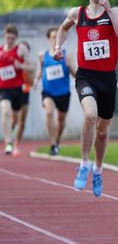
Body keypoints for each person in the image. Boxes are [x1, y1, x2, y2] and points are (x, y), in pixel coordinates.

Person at [54, 0, 118, 197]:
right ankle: (84, 164)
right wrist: (57, 47)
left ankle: (98, 169)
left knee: (104, 131)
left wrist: (109, 11)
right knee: (90, 115)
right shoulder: (78, 13)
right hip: (85, 74)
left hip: (108, 77)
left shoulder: (114, 12)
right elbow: (63, 28)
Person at [34, 27, 76, 156]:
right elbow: (41, 71)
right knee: (49, 113)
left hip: (63, 92)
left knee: (61, 121)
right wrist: (36, 80)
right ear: (48, 39)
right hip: (48, 92)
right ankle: (52, 143)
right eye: (52, 37)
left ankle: (57, 142)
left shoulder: (66, 55)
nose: (55, 39)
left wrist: (70, 67)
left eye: (57, 37)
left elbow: (75, 74)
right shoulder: (43, 55)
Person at [0, 25, 30, 156]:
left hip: (18, 89)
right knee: (5, 111)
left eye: (12, 38)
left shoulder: (21, 49)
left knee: (15, 120)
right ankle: (8, 142)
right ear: (4, 37)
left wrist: (21, 65)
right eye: (8, 38)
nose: (10, 40)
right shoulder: (0, 51)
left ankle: (10, 134)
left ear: (16, 38)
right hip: (4, 89)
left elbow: (31, 66)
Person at [12, 40, 36, 156]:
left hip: (24, 92)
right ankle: (8, 140)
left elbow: (31, 82)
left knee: (22, 121)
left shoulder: (30, 64)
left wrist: (24, 68)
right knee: (13, 120)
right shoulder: (12, 61)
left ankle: (16, 144)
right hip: (12, 92)